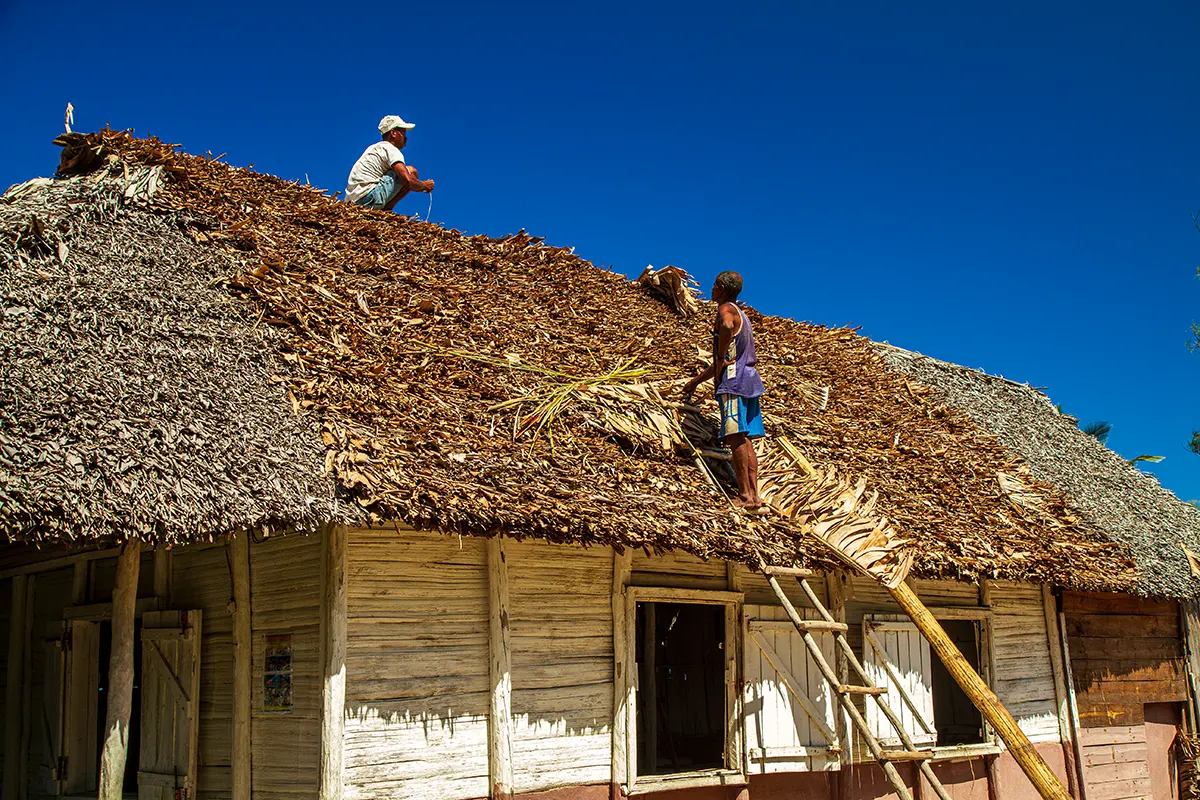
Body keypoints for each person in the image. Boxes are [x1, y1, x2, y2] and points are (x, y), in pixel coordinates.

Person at [682, 271, 766, 510]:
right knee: (745, 438)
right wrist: (697, 381)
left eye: (713, 286)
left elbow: (726, 330)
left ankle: (744, 496)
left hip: (734, 382)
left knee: (734, 435)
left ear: (720, 287)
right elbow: (730, 357)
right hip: (749, 380)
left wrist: (719, 356)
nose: (711, 291)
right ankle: (754, 495)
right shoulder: (744, 316)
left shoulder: (725, 311)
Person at [345, 115, 434, 212]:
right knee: (412, 171)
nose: (406, 138)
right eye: (403, 133)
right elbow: (408, 180)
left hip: (353, 202)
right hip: (368, 198)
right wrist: (425, 186)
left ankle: (385, 208)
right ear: (393, 133)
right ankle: (387, 208)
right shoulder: (390, 149)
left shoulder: (374, 148)